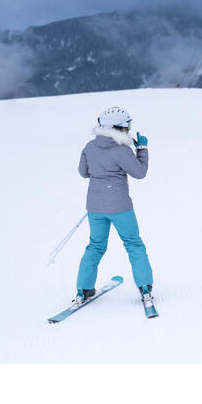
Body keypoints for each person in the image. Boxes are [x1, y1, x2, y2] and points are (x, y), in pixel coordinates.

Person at [75, 106, 154, 310]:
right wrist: (142, 150)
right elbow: (140, 173)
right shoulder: (121, 150)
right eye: (126, 127)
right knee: (134, 244)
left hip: (95, 207)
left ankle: (83, 290)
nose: (128, 131)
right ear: (116, 127)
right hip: (120, 208)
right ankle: (145, 288)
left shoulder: (90, 147)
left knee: (95, 246)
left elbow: (83, 172)